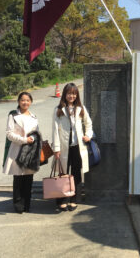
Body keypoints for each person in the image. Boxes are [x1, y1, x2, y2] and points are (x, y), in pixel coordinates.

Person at [52, 83, 93, 212]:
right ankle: (62, 200)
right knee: (63, 173)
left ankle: (73, 199)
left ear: (77, 95)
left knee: (76, 174)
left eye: (74, 93)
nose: (72, 96)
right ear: (64, 94)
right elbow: (54, 130)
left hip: (77, 146)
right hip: (63, 147)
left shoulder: (81, 108)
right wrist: (56, 148)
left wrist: (88, 135)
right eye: (69, 93)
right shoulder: (58, 109)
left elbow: (89, 123)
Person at [3, 92, 39, 213]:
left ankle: (27, 204)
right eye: (23, 100)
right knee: (18, 178)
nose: (25, 102)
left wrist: (33, 138)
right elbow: (9, 134)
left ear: (31, 102)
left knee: (29, 178)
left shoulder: (34, 116)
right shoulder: (13, 115)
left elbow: (36, 132)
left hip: (30, 151)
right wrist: (24, 140)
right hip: (17, 149)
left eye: (28, 100)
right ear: (18, 101)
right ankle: (18, 204)